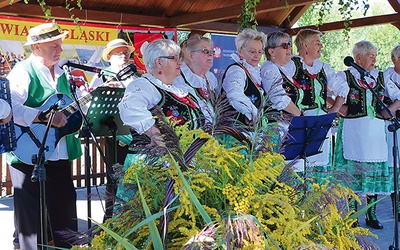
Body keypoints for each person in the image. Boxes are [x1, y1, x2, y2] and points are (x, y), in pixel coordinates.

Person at [7, 22, 82, 249]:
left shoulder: (63, 74)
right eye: (53, 46)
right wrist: (42, 116)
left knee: (65, 211)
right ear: (36, 48)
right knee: (31, 219)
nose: (59, 50)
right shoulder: (23, 71)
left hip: (58, 153)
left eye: (60, 45)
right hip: (27, 153)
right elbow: (9, 107)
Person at [114, 39, 205, 214]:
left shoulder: (182, 89)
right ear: (159, 62)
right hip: (152, 166)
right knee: (148, 218)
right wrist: (157, 136)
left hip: (183, 165)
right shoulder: (143, 85)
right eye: (175, 58)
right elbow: (129, 107)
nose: (180, 62)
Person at [334, 40, 400, 230]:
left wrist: (390, 110)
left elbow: (398, 96)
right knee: (352, 175)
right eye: (371, 56)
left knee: (372, 174)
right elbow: (328, 92)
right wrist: (339, 107)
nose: (374, 59)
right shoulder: (345, 76)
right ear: (358, 58)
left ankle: (371, 214)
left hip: (375, 132)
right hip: (353, 130)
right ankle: (353, 215)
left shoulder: (380, 77)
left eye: (375, 56)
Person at [283, 28, 349, 181]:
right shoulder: (291, 65)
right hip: (298, 119)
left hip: (320, 120)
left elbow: (343, 87)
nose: (322, 46)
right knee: (298, 166)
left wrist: (334, 110)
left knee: (318, 163)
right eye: (317, 43)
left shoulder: (323, 68)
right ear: (305, 46)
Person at [89, 38, 135, 220]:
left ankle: (132, 216)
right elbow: (92, 102)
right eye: (119, 52)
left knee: (134, 176)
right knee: (116, 176)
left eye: (126, 52)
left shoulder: (136, 76)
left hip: (136, 133)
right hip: (114, 133)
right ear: (110, 56)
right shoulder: (102, 75)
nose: (124, 55)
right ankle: (111, 218)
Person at [221, 28, 267, 126]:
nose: (257, 56)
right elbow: (234, 95)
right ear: (240, 51)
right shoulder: (236, 71)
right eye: (252, 51)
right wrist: (253, 114)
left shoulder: (255, 72)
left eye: (260, 52)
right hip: (237, 133)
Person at [173, 34, 218, 123]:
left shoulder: (211, 78)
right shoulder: (178, 77)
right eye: (205, 51)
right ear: (191, 56)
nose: (210, 55)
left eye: (212, 51)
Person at [261, 31, 302, 118]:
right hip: (277, 126)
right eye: (285, 46)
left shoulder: (279, 69)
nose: (289, 48)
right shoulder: (269, 70)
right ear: (272, 51)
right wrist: (299, 115)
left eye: (290, 45)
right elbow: (278, 98)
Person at [384, 44, 400, 218]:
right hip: (392, 126)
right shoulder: (386, 76)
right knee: (394, 165)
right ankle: (397, 208)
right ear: (393, 59)